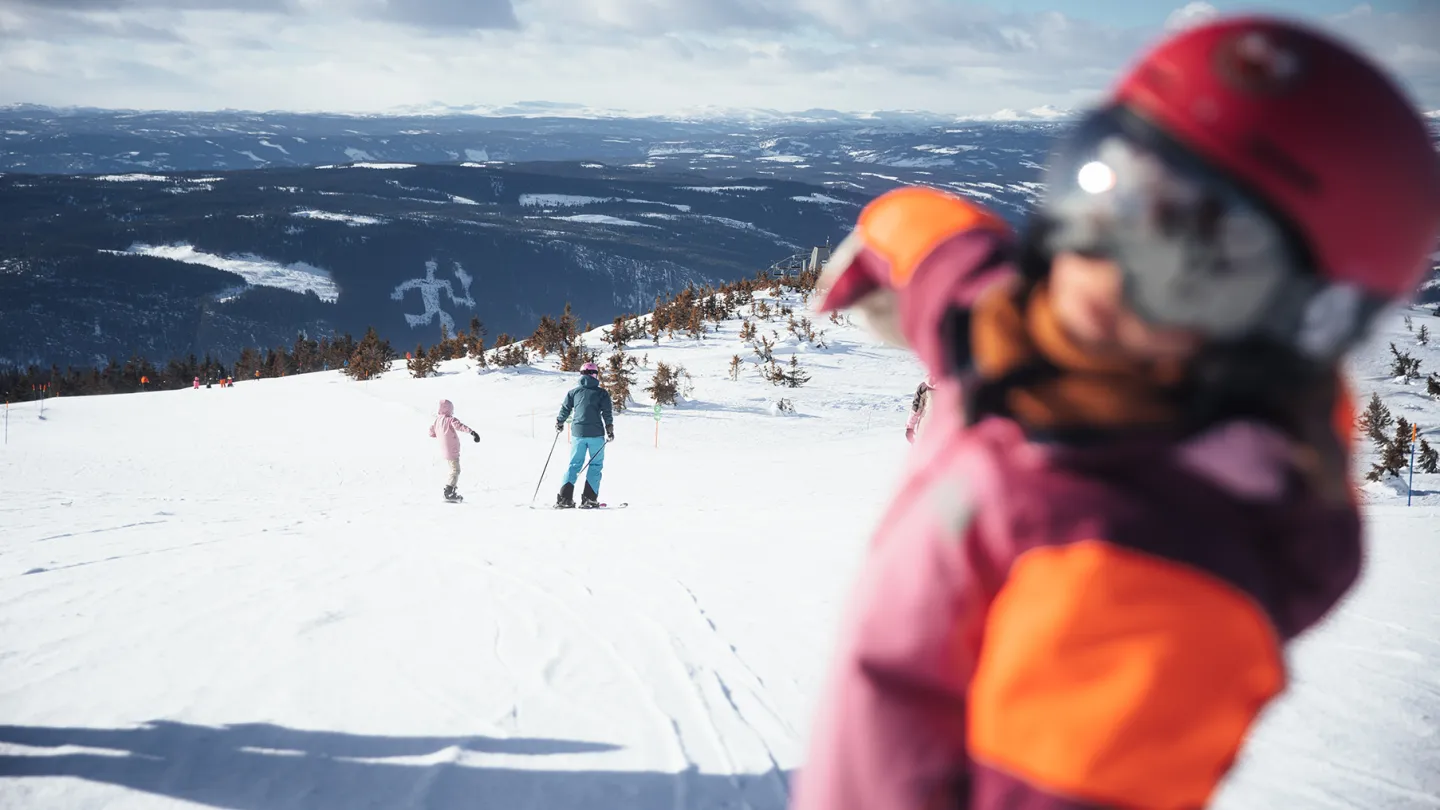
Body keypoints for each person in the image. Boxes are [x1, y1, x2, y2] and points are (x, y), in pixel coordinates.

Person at [793, 15, 1440, 810]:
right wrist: (895, 229)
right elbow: (962, 276)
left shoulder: (1145, 570)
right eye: (1106, 195)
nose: (1099, 270)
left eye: (1191, 271)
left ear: (1293, 330)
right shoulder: (1043, 338)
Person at [555, 361, 614, 508]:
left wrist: (560, 422)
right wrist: (610, 430)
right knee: (595, 465)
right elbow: (607, 413)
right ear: (595, 375)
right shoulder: (602, 393)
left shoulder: (573, 392)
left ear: (581, 375)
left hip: (578, 434)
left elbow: (565, 409)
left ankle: (564, 498)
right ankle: (589, 498)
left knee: (574, 464)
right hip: (596, 435)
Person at [429, 398, 479, 502]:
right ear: (449, 409)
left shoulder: (437, 421)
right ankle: (449, 492)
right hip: (452, 450)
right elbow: (460, 426)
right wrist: (472, 432)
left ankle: (450, 491)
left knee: (453, 469)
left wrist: (437, 429)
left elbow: (431, 433)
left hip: (445, 450)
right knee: (456, 470)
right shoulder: (450, 419)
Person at [905, 376, 934, 443]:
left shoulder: (924, 386)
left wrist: (910, 428)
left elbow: (916, 408)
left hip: (925, 429)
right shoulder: (956, 385)